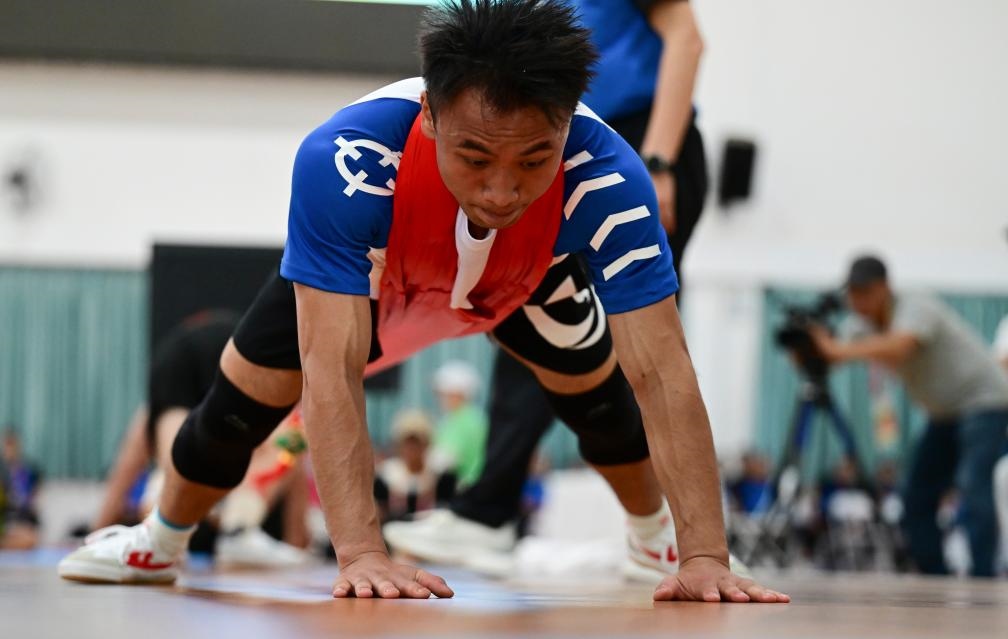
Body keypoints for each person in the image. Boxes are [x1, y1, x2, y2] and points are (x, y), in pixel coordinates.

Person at [59, 0, 786, 603]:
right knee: (235, 408)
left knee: (602, 397)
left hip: (523, 279)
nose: (501, 190)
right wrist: (361, 553)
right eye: (476, 156)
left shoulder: (610, 180)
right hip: (382, 277)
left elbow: (663, 370)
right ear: (432, 118)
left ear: (567, 126)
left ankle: (654, 538)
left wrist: (706, 555)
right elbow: (331, 370)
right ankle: (160, 539)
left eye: (534, 159)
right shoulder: (345, 159)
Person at [384, 0, 712, 577]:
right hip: (546, 149)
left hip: (638, 143)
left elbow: (686, 39)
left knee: (635, 348)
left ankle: (679, 539)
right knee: (527, 318)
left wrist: (659, 159)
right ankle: (492, 511)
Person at [811, 255, 1008, 577]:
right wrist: (810, 348)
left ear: (884, 287)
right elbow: (833, 355)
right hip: (944, 413)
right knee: (916, 493)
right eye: (853, 293)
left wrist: (835, 349)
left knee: (973, 485)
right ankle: (935, 574)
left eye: (864, 292)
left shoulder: (916, 304)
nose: (857, 301)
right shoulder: (861, 325)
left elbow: (899, 346)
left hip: (984, 401)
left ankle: (983, 575)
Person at [89, 309, 310, 567]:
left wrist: (96, 531)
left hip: (183, 353)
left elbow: (132, 454)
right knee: (285, 444)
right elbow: (292, 452)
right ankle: (237, 528)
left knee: (175, 457)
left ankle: (160, 531)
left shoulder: (183, 355)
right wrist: (297, 541)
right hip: (241, 357)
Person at [374, 410, 456, 523]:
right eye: (408, 443)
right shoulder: (385, 478)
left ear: (427, 444)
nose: (412, 449)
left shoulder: (441, 479)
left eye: (417, 443)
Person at [430, 360, 487, 488]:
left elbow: (443, 460)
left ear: (457, 394)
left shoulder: (462, 421)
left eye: (442, 394)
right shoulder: (474, 417)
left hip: (464, 488)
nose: (439, 398)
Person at [1, 428, 43, 550]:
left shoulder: (26, 469)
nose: (10, 450)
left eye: (13, 445)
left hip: (22, 516)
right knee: (28, 540)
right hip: (7, 516)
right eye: (8, 445)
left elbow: (32, 493)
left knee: (31, 539)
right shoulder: (3, 470)